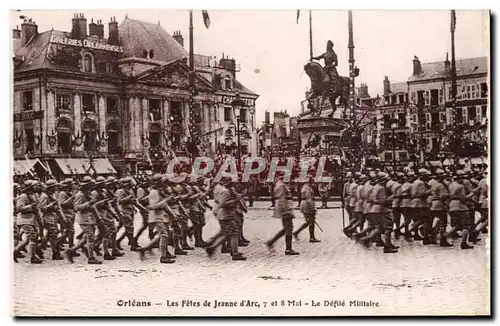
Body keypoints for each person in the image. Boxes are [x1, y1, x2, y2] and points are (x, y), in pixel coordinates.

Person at [205, 177, 247, 260]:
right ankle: (234, 253)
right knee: (233, 233)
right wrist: (234, 201)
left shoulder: (223, 189)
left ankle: (213, 245)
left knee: (225, 232)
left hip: (225, 214)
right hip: (226, 214)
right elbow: (223, 203)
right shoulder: (225, 191)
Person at [138, 174, 176, 264]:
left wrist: (172, 214)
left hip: (163, 216)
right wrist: (166, 200)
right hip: (156, 217)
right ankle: (163, 257)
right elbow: (153, 206)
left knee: (167, 233)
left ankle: (148, 249)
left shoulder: (160, 191)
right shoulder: (154, 192)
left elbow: (165, 205)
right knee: (164, 235)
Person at [64, 176, 102, 264]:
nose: (92, 186)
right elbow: (76, 207)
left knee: (86, 237)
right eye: (90, 184)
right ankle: (91, 258)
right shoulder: (80, 195)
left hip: (90, 218)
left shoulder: (88, 193)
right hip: (84, 218)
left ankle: (71, 251)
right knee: (90, 238)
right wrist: (89, 203)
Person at [266, 174, 299, 255]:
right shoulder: (281, 185)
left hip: (286, 207)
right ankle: (288, 249)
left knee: (286, 228)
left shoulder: (281, 184)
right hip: (285, 208)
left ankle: (271, 242)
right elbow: (281, 199)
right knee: (289, 228)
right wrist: (286, 211)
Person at [14, 180, 43, 264]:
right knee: (32, 237)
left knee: (30, 239)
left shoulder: (33, 195)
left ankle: (15, 251)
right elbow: (19, 208)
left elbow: (36, 209)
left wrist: (40, 220)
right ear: (30, 187)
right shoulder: (23, 196)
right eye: (35, 185)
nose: (37, 187)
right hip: (24, 219)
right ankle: (32, 257)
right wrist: (30, 206)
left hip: (31, 219)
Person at [446, 171, 474, 249]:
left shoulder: (451, 185)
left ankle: (444, 236)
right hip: (460, 207)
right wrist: (472, 194)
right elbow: (463, 198)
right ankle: (463, 243)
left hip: (452, 205)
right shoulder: (460, 186)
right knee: (466, 225)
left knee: (457, 225)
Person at [37, 179, 64, 260]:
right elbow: (41, 208)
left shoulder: (52, 195)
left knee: (52, 233)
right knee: (53, 234)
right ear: (51, 187)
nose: (56, 187)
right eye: (54, 186)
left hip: (53, 217)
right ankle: (55, 253)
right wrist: (52, 204)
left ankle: (39, 247)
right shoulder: (44, 196)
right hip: (47, 217)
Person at [293, 175, 319, 242]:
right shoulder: (307, 188)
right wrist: (312, 209)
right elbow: (308, 199)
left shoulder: (306, 187)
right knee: (311, 222)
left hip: (305, 205)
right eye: (311, 179)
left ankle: (296, 233)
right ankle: (312, 238)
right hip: (307, 205)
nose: (312, 180)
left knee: (308, 222)